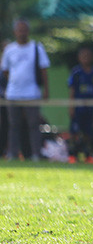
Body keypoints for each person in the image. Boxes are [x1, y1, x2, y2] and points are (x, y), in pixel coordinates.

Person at [1, 20, 49, 161]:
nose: (22, 33)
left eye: (24, 30)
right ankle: (13, 154)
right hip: (13, 94)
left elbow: (44, 69)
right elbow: (5, 70)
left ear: (28, 31)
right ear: (15, 32)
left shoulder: (36, 48)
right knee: (14, 125)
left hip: (32, 93)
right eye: (19, 30)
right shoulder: (9, 49)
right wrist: (16, 81)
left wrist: (46, 90)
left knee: (33, 124)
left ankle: (35, 154)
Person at [67, 47, 93, 160]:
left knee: (88, 131)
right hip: (78, 108)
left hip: (90, 108)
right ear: (79, 58)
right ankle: (72, 153)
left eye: (88, 56)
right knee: (75, 130)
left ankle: (87, 153)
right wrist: (71, 106)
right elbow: (72, 90)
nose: (85, 59)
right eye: (83, 56)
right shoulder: (76, 72)